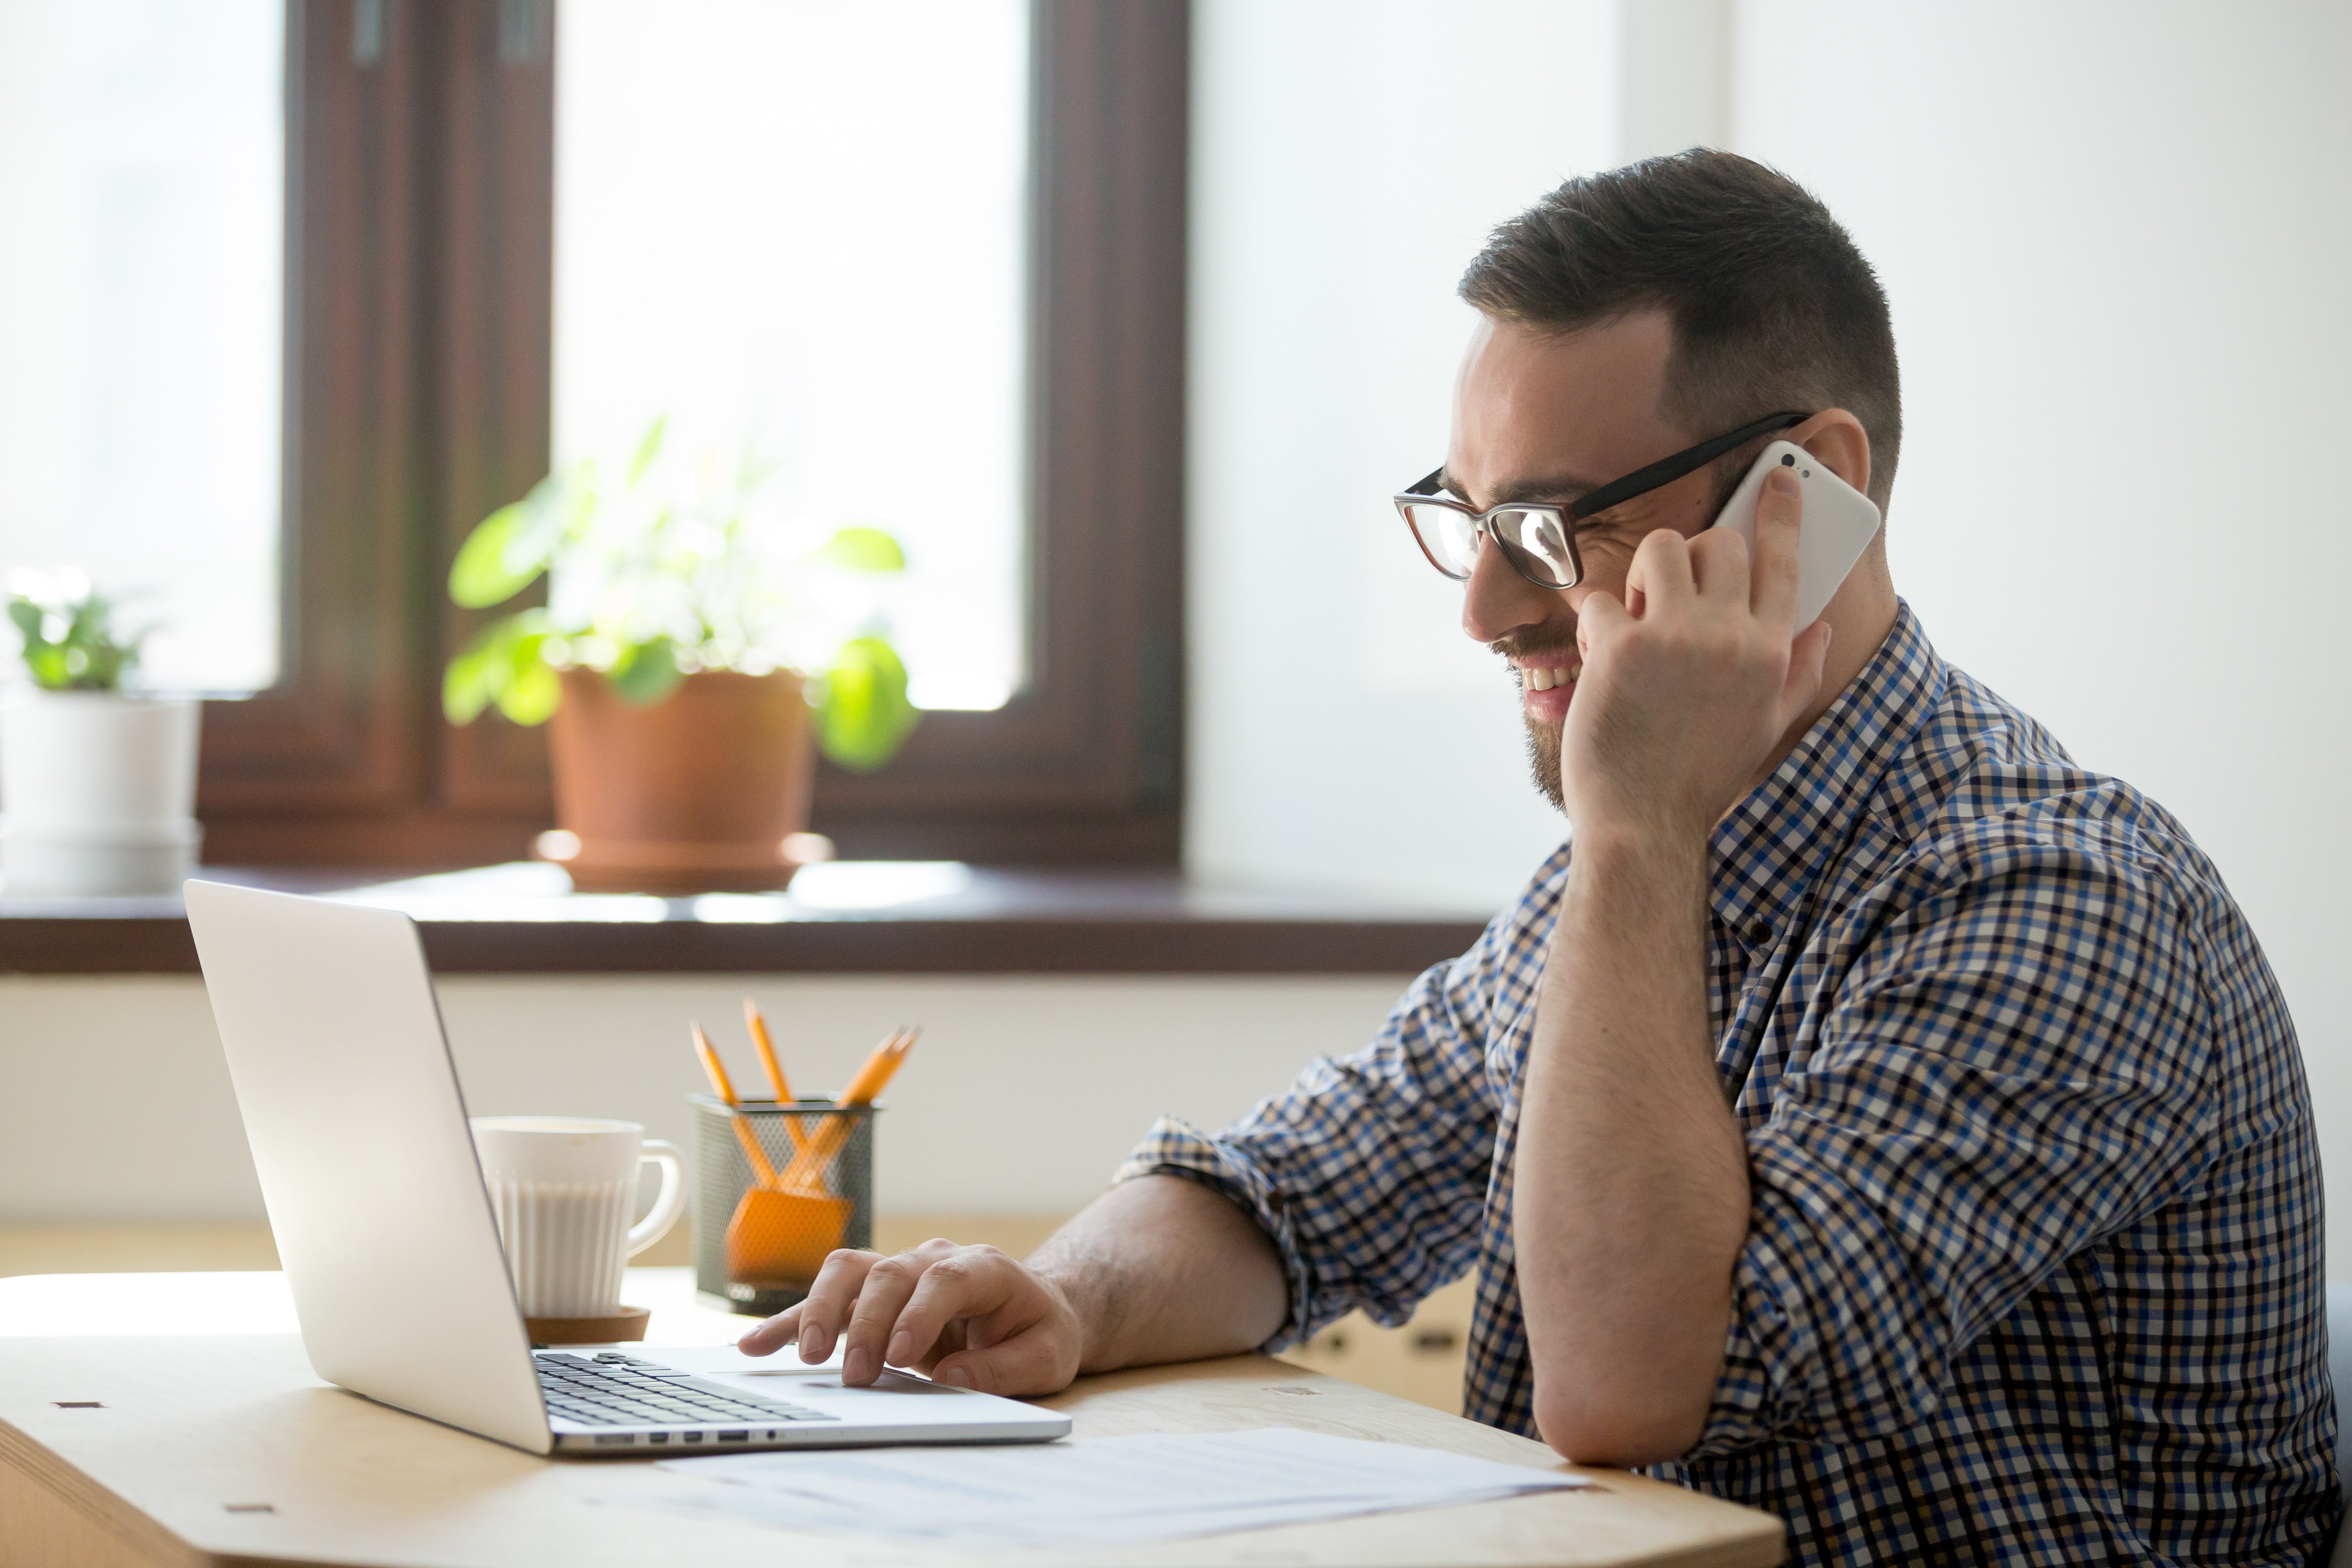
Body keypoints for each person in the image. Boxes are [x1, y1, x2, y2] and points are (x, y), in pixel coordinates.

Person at [739, 151, 2338, 1565]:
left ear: (1817, 494)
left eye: (1558, 528)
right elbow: (1288, 1195)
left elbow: (1638, 1393)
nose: (1488, 610)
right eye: (1473, 517)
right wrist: (1068, 1295)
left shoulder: (2055, 901)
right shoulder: (1630, 884)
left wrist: (1635, 823)